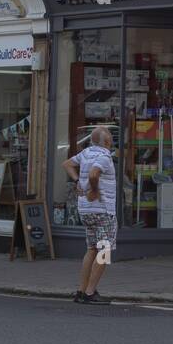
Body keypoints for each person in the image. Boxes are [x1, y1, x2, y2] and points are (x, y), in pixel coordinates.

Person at [63, 125, 117, 305]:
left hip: (85, 210)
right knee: (105, 250)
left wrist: (77, 180)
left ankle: (81, 290)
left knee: (92, 249)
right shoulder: (105, 156)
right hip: (102, 210)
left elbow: (67, 164)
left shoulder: (85, 153)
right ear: (107, 141)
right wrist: (94, 190)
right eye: (110, 139)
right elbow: (94, 174)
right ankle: (90, 292)